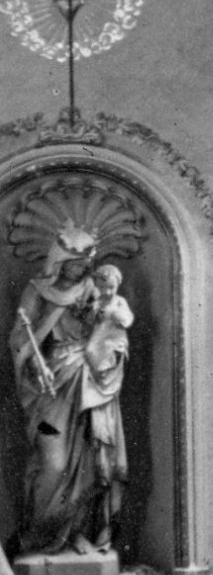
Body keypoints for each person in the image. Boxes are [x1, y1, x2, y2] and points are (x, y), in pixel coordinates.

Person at [8, 228, 131, 557]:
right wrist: (36, 363)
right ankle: (39, 537)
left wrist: (108, 348)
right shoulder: (37, 291)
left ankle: (76, 533)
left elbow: (112, 327)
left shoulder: (94, 288)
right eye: (77, 263)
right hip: (53, 379)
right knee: (54, 462)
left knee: (90, 462)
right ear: (60, 261)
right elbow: (21, 340)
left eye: (87, 263)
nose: (83, 270)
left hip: (90, 378)